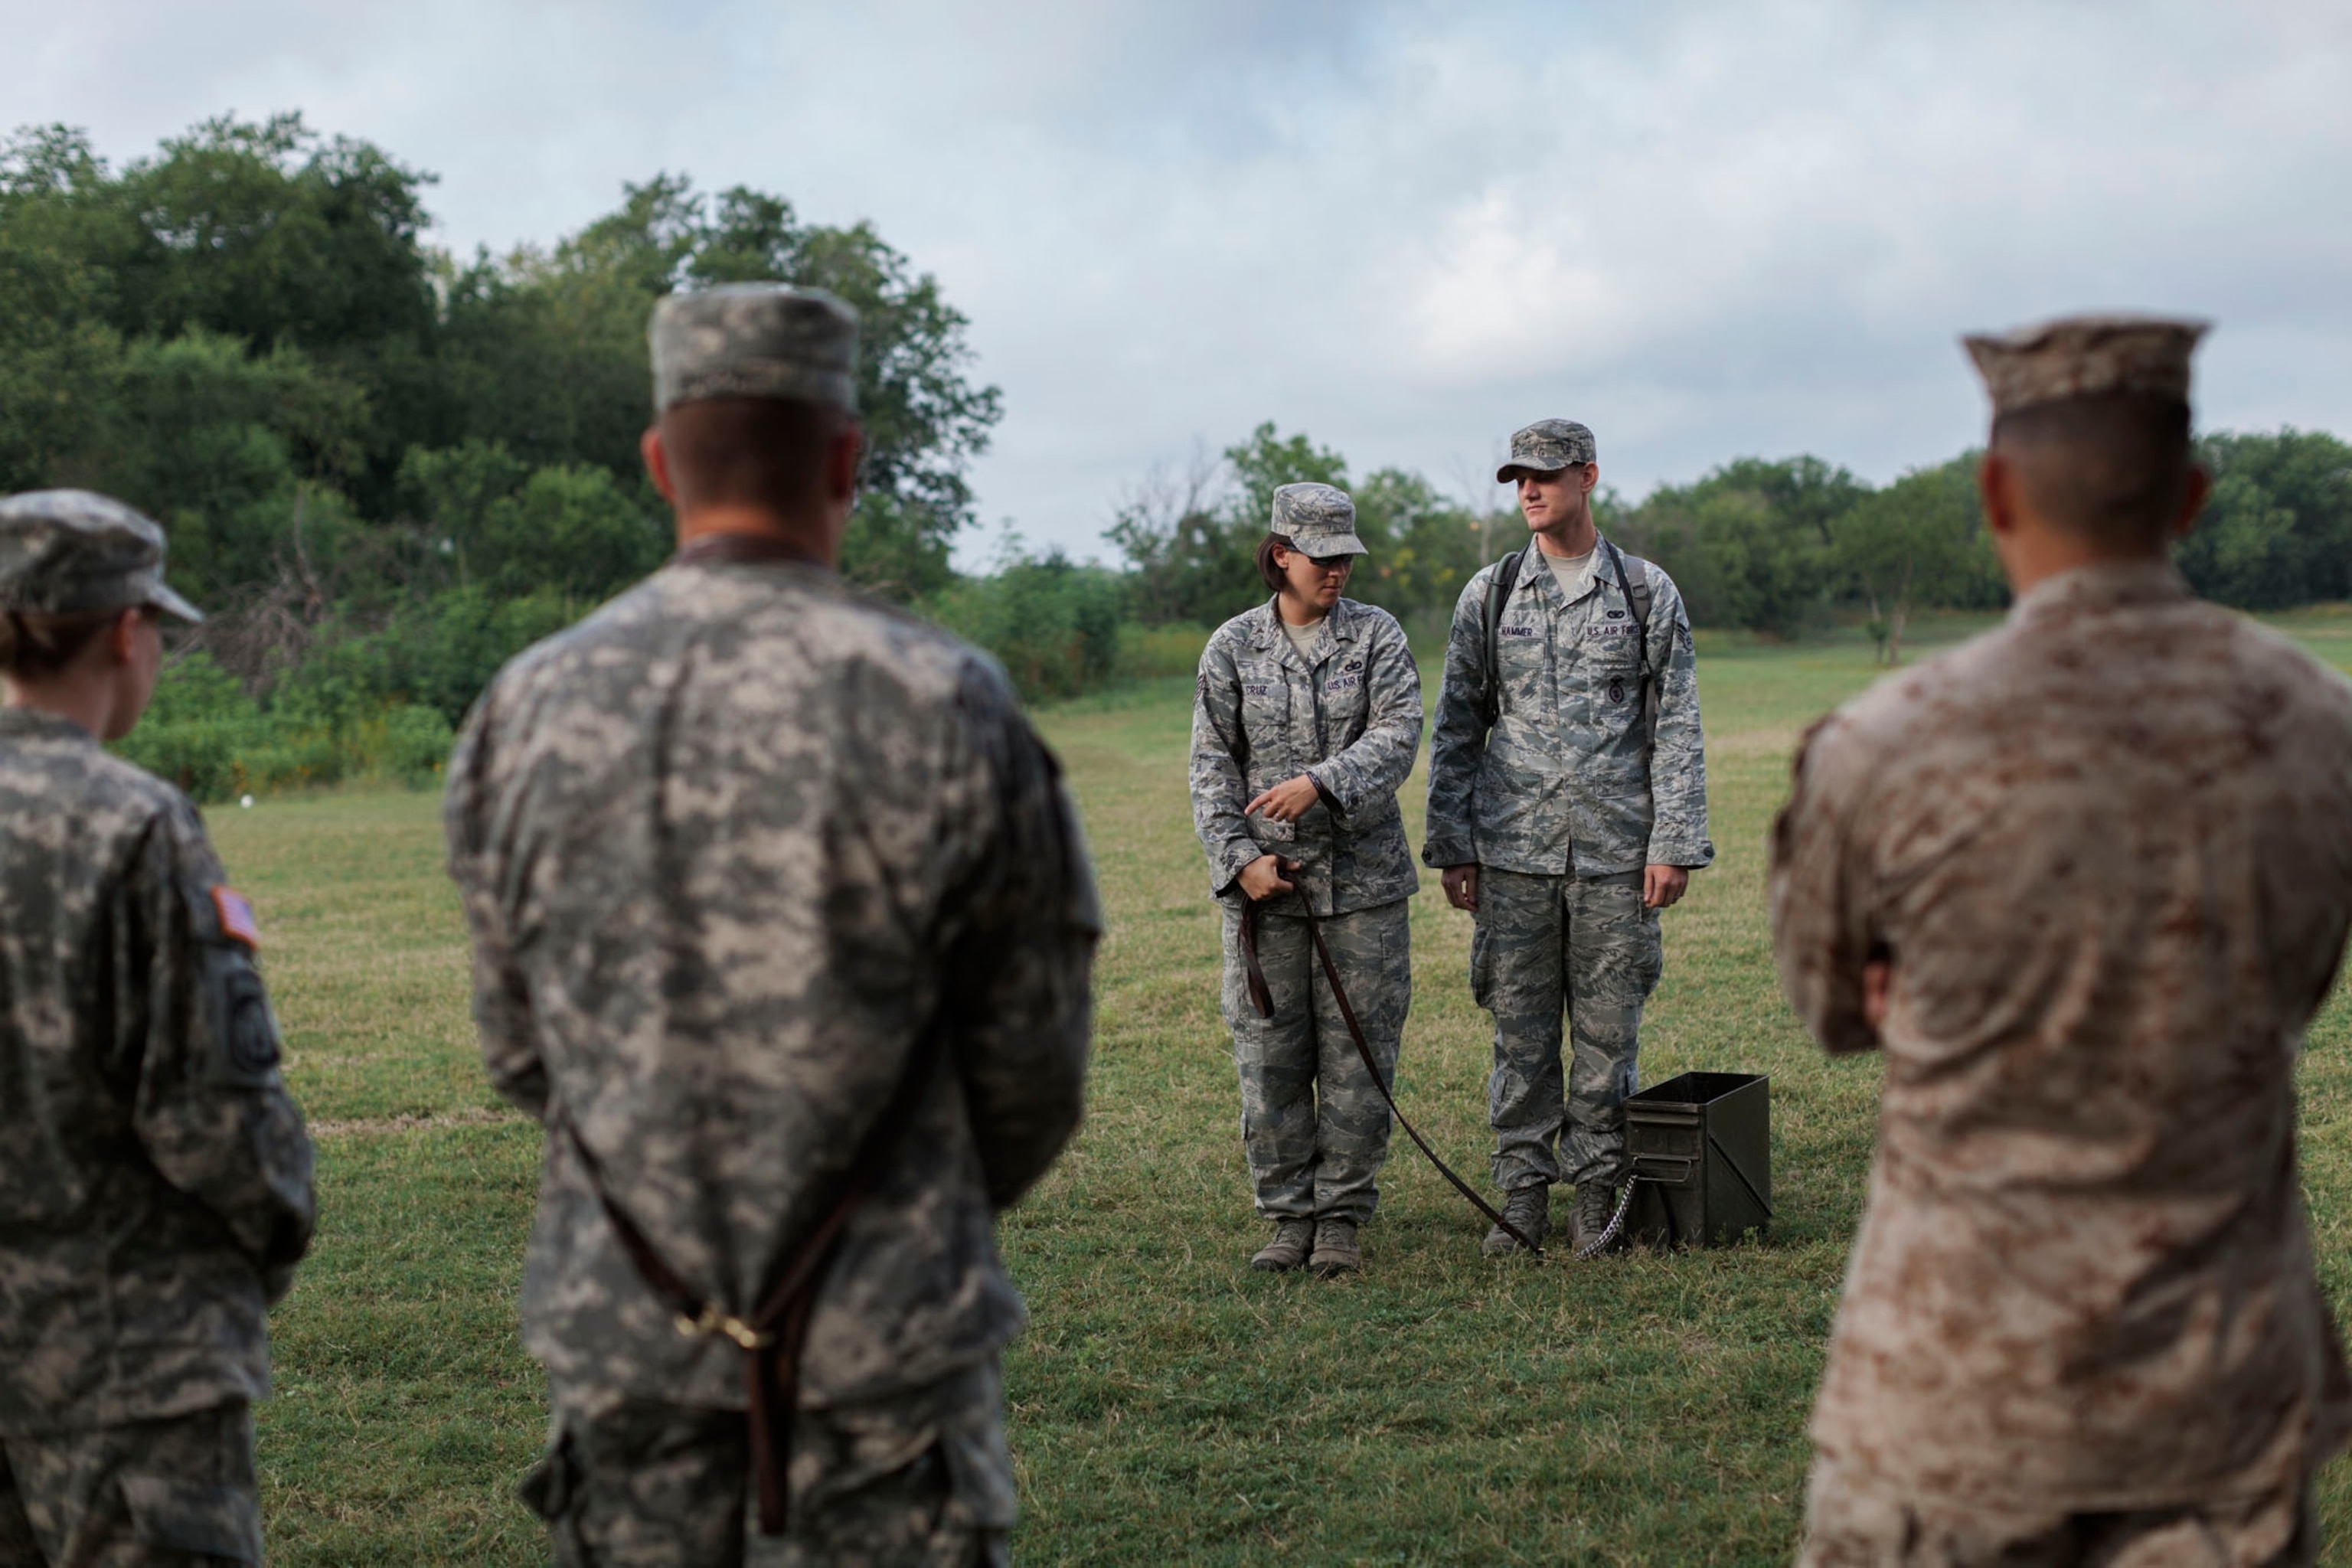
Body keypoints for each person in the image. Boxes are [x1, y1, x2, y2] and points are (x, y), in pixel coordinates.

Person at [443, 283, 1099, 1566]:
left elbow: (520, 1050)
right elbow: (1030, 1066)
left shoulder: (526, 707)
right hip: (884, 1347)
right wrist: (898, 1204)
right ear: (847, 456)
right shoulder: (943, 700)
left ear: (656, 462)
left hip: (623, 1329)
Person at [1772, 314, 2352, 1566]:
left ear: (1992, 489)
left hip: (1947, 1406)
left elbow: (1825, 1006)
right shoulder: (2320, 724)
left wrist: (1916, 985)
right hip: (2214, 1416)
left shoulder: (1883, 741)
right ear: (2191, 495)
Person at [0, 490, 316, 1566]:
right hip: (127, 1372)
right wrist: (270, 1244)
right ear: (128, 633)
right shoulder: (132, 825)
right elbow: (219, 1126)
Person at [1422, 420, 1713, 1257]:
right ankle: (1519, 1190)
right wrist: (1453, 843)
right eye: (1518, 478)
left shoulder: (1644, 590)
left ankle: (1595, 1189)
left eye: (1546, 476)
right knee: (1518, 1028)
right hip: (1513, 849)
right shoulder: (1494, 589)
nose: (1530, 491)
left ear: (1588, 476)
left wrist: (1675, 840)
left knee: (1607, 1031)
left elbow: (1679, 724)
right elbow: (1457, 724)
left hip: (1617, 851)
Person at [1190, 483, 1424, 1277]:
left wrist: (1321, 782)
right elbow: (1209, 766)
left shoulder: (1377, 637)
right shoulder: (1232, 647)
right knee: (1272, 1060)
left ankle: (1342, 1221)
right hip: (1270, 890)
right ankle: (1288, 1216)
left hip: (1364, 888)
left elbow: (1399, 733)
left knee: (1360, 1063)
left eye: (1346, 557)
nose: (1338, 572)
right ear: (1281, 554)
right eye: (1323, 558)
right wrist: (1237, 859)